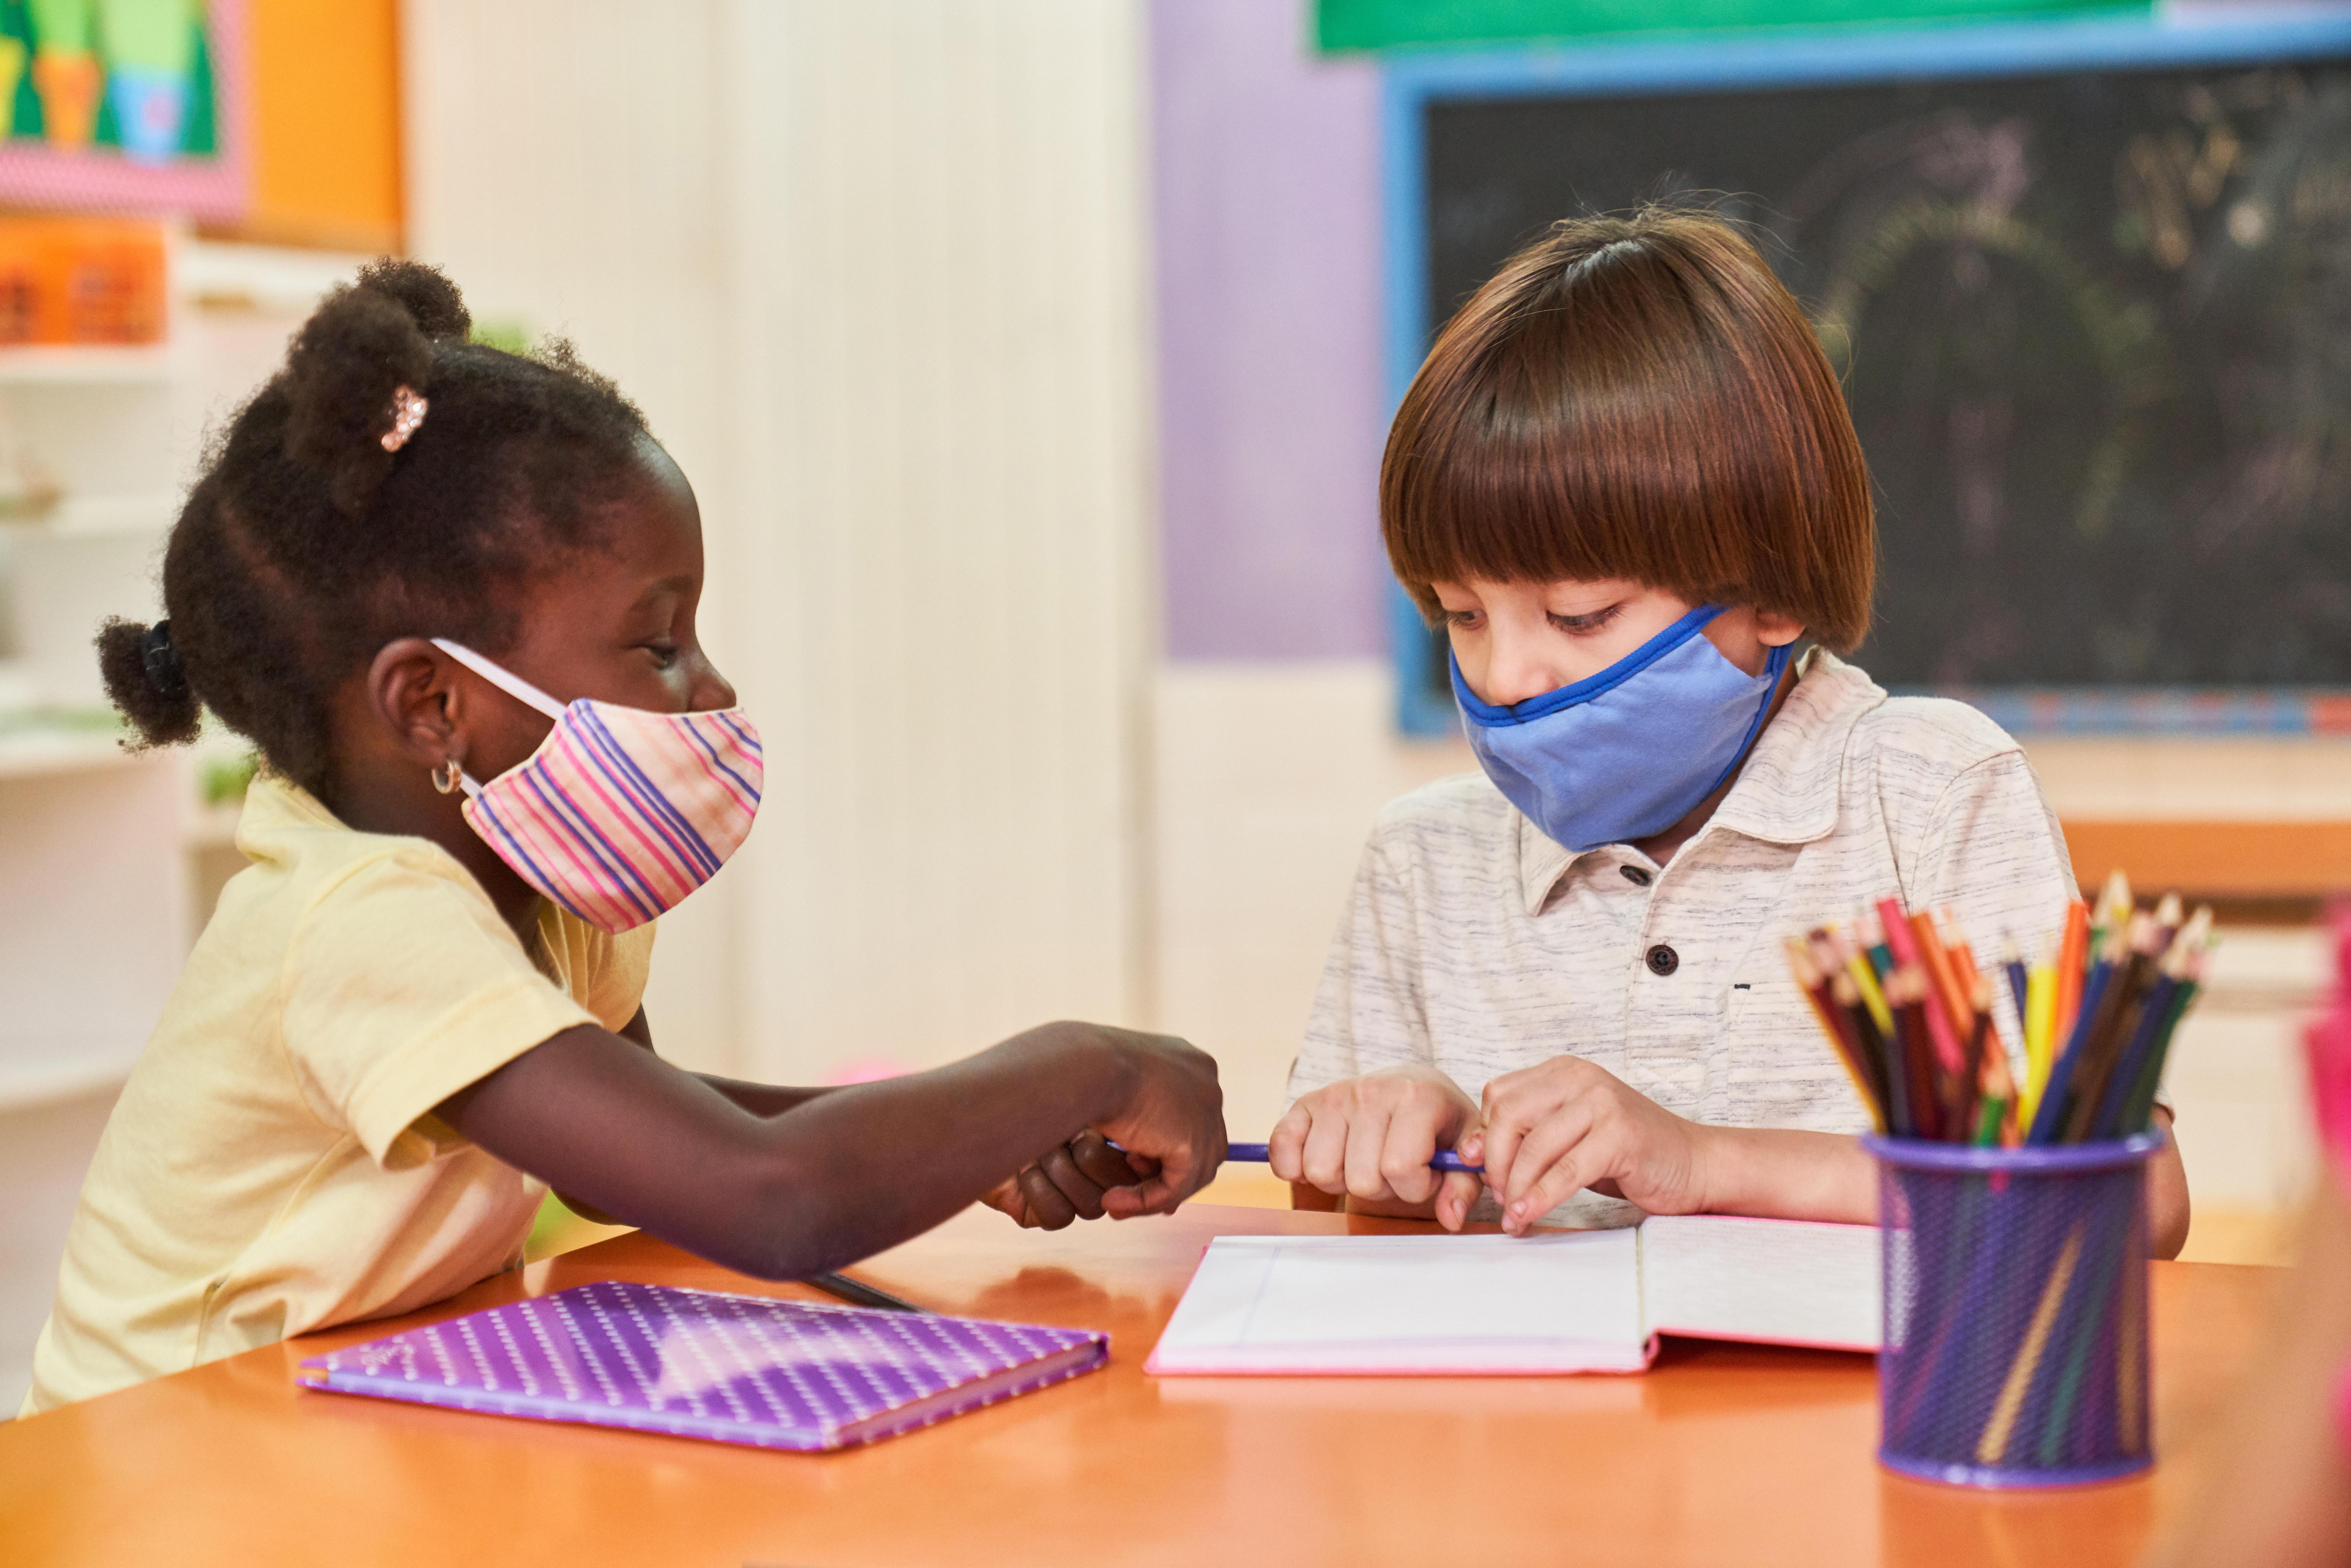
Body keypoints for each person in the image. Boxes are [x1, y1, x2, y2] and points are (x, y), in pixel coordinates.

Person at [20, 261, 1222, 1416]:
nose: (709, 688)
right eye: (658, 645)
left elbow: (621, 1144)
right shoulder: (357, 917)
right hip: (154, 1478)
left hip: (308, 1440)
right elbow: (764, 1198)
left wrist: (976, 1138)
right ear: (432, 702)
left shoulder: (532, 879)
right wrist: (1082, 1064)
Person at [1268, 209, 2190, 1247]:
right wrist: (1393, 1147)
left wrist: (1703, 1160)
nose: (1506, 676)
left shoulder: (1931, 800)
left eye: (1580, 616)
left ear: (1773, 596)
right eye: (1462, 614)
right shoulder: (1422, 861)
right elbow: (1346, 1223)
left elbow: (2133, 1203)